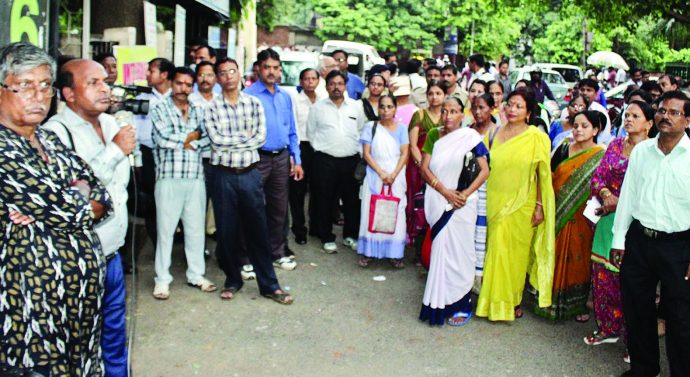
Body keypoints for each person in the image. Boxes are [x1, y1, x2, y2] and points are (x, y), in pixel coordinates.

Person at [0, 42, 110, 376]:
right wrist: (76, 196)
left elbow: (104, 197)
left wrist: (69, 198)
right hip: (31, 321)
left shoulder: (48, 139)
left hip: (80, 321)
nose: (38, 95)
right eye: (24, 86)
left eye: (45, 85)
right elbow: (73, 213)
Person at [44, 58, 135, 377]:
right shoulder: (54, 134)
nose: (104, 88)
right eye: (93, 83)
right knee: (79, 344)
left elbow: (118, 187)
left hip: (112, 256)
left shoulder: (112, 124)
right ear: (68, 93)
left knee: (114, 338)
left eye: (104, 82)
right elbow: (71, 195)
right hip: (78, 259)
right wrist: (114, 152)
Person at [612, 91, 690, 377]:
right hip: (640, 241)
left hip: (679, 246)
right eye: (661, 110)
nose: (665, 116)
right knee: (637, 310)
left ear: (688, 119)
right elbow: (628, 197)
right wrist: (619, 239)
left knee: (680, 317)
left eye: (674, 112)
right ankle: (644, 369)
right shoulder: (643, 151)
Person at [205, 57, 293, 304]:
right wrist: (243, 137)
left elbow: (260, 138)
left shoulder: (253, 103)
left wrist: (233, 139)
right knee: (226, 232)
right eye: (222, 73)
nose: (228, 76)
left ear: (239, 74)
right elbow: (216, 140)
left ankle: (270, 285)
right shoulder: (211, 108)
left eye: (232, 71)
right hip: (223, 176)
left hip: (250, 174)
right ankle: (233, 278)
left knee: (259, 231)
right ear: (218, 79)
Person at [475, 88, 556, 321]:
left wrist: (540, 206)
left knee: (515, 256)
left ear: (529, 112)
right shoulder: (494, 133)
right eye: (509, 104)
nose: (512, 109)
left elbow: (542, 175)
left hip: (523, 204)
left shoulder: (536, 137)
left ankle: (511, 302)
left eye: (519, 106)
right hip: (494, 200)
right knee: (495, 251)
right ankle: (490, 303)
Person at [585, 100, 653, 364]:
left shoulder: (652, 151)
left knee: (631, 282)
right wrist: (605, 194)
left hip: (634, 222)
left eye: (636, 116)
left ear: (649, 123)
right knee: (603, 277)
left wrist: (620, 200)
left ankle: (633, 341)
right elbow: (598, 176)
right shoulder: (614, 145)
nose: (629, 119)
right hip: (606, 219)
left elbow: (648, 188)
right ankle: (608, 328)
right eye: (627, 115)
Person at [419, 96, 490, 326]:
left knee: (462, 253)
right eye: (445, 111)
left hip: (461, 205)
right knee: (441, 252)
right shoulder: (433, 136)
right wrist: (444, 191)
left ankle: (461, 304)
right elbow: (424, 168)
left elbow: (485, 170)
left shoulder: (469, 137)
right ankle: (438, 303)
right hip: (440, 201)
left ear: (462, 114)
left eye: (453, 111)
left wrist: (464, 194)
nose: (448, 116)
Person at [149, 66, 216, 299]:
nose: (183, 89)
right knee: (165, 231)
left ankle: (196, 275)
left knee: (196, 230)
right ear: (172, 83)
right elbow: (163, 138)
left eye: (188, 85)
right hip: (169, 177)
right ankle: (162, 279)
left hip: (195, 177)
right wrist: (192, 137)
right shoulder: (159, 109)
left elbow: (208, 139)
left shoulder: (198, 110)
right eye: (179, 83)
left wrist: (190, 141)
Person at [535, 111, 605, 321]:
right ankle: (548, 300)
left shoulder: (601, 154)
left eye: (585, 126)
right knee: (552, 252)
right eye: (575, 125)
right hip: (557, 209)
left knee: (579, 257)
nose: (578, 130)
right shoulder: (564, 148)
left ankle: (576, 303)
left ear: (596, 130)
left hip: (583, 216)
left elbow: (603, 184)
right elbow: (548, 176)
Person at [244, 48, 303, 270]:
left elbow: (292, 131)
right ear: (258, 68)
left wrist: (297, 160)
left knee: (279, 208)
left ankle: (277, 253)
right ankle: (249, 257)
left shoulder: (285, 97)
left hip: (281, 158)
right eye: (267, 67)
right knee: (252, 207)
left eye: (276, 68)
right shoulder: (248, 96)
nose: (271, 72)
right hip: (256, 158)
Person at [306, 70, 365, 253]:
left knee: (351, 201)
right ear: (326, 86)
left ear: (345, 85)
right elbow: (311, 134)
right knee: (325, 200)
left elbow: (362, 130)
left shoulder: (356, 107)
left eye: (340, 83)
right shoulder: (317, 108)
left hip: (351, 160)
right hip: (325, 160)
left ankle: (350, 235)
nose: (336, 87)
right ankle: (327, 237)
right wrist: (322, 150)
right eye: (332, 84)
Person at [357, 94, 410, 268]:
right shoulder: (371, 127)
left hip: (396, 175)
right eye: (382, 107)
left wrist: (393, 174)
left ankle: (394, 254)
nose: (386, 111)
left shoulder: (402, 128)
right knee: (371, 212)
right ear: (378, 109)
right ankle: (369, 251)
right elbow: (366, 153)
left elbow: (405, 153)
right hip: (375, 175)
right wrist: (381, 173)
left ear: (395, 108)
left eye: (389, 107)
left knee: (396, 213)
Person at [133, 58, 174, 245]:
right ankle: (156, 239)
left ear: (164, 75)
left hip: (173, 155)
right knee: (152, 197)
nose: (147, 74)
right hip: (149, 154)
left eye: (151, 71)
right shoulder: (142, 99)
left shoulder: (178, 97)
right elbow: (135, 130)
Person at [406, 81, 445, 257]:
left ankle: (433, 247)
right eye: (431, 93)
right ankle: (417, 245)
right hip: (419, 167)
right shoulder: (420, 115)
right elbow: (413, 144)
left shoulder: (448, 116)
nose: (434, 97)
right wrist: (422, 166)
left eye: (438, 93)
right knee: (418, 205)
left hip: (442, 167)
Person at [289, 68, 326, 245]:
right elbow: (292, 128)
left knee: (318, 188)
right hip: (301, 147)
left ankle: (316, 226)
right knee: (297, 190)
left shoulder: (323, 101)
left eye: (313, 78)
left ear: (318, 81)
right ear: (301, 81)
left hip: (319, 148)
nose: (310, 82)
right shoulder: (295, 101)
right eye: (306, 79)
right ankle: (298, 228)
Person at [469, 93, 498, 291]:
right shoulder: (467, 131)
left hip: (489, 190)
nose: (478, 112)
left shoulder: (497, 133)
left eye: (482, 107)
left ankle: (482, 282)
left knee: (484, 234)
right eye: (475, 108)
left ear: (492, 109)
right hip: (469, 188)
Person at [579, 78, 612, 145]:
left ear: (596, 94)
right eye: (582, 90)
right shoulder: (571, 108)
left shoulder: (600, 111)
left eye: (589, 90)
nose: (585, 93)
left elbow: (604, 136)